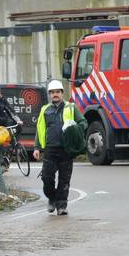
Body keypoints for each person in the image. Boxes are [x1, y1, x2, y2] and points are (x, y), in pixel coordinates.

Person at [33, 80, 86, 216]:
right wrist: (37, 147)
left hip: (66, 150)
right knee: (47, 178)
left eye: (58, 92)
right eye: (52, 92)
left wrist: (74, 128)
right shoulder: (45, 110)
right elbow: (40, 130)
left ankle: (62, 206)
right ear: (50, 94)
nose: (55, 94)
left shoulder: (71, 107)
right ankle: (52, 198)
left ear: (62, 93)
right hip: (50, 150)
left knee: (64, 180)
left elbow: (83, 123)